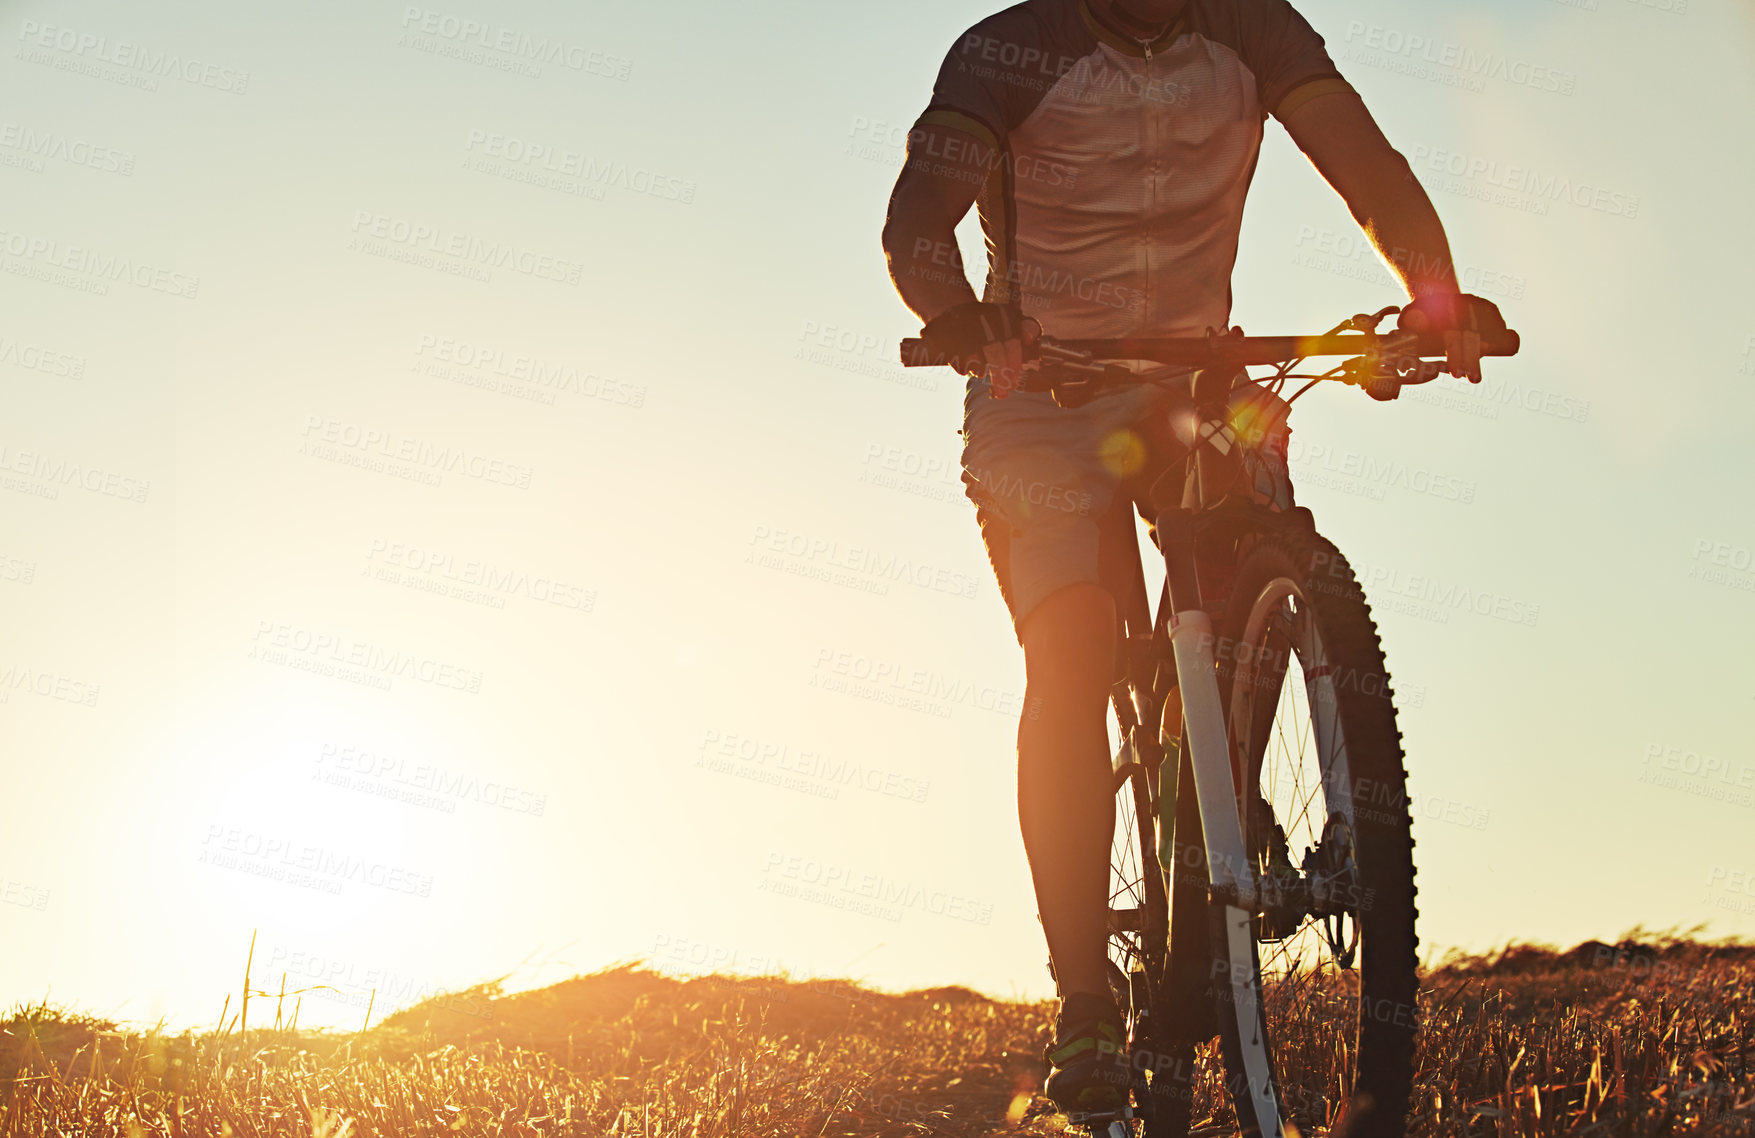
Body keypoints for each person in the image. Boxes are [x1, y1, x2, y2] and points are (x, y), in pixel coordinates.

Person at [881, 0, 1504, 1115]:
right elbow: (919, 218)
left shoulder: (1257, 30)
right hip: (1041, 399)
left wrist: (1435, 294)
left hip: (1194, 385)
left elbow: (1367, 166)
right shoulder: (1006, 48)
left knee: (1265, 530)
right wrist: (963, 314)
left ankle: (1206, 863)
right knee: (1072, 658)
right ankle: (1083, 1001)